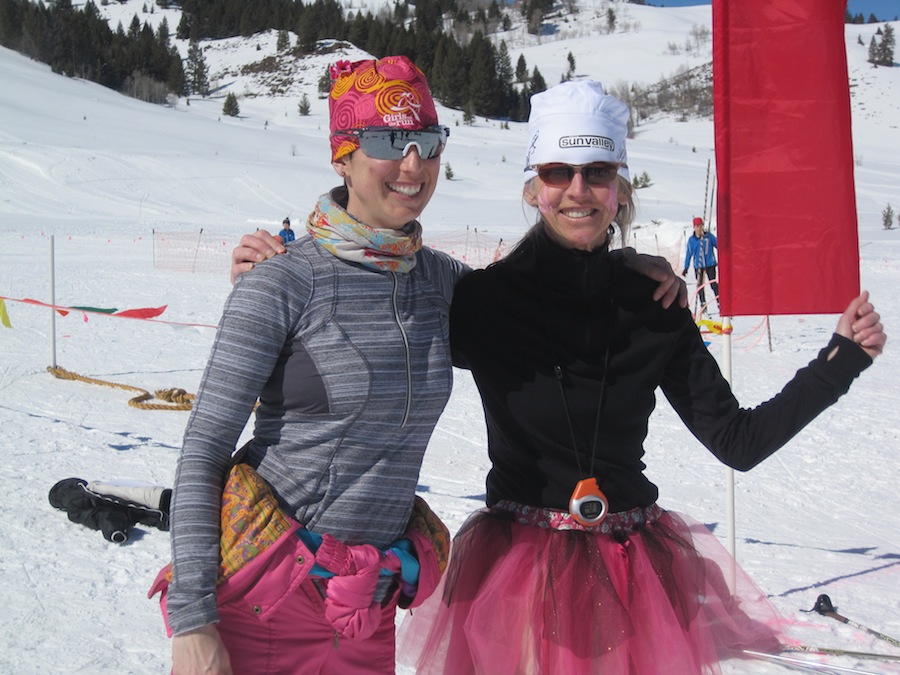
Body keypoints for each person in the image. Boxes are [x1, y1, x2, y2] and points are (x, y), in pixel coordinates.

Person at [161, 58, 681, 675]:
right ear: (343, 156)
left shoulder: (440, 284)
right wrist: (193, 620)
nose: (413, 165)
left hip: (367, 602)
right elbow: (203, 451)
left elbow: (536, 297)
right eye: (387, 142)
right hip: (268, 592)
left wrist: (622, 268)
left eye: (427, 143)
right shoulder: (281, 284)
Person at [391, 81, 885, 674]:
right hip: (516, 583)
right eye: (557, 172)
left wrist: (841, 360)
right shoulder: (483, 303)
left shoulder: (655, 304)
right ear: (532, 187)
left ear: (621, 189)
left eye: (598, 172)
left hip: (632, 578)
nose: (578, 190)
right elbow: (374, 329)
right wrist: (284, 271)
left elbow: (738, 441)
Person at [683, 215, 719, 310]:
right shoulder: (692, 240)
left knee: (713, 284)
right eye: (698, 226)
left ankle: (719, 301)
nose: (700, 228)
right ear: (694, 227)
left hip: (710, 264)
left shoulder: (708, 236)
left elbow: (718, 245)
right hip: (699, 266)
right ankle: (703, 304)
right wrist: (686, 267)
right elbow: (688, 254)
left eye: (701, 226)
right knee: (700, 286)